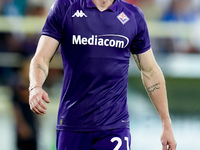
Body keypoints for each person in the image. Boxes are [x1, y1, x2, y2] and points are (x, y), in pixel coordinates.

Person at [29, 0, 177, 149]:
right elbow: (41, 57)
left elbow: (150, 71)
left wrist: (166, 123)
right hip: (73, 124)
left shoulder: (133, 16)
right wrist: (35, 86)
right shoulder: (66, 7)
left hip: (115, 126)